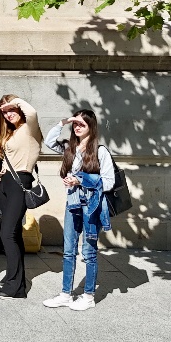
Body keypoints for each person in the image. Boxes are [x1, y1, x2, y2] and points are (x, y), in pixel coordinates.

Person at [42, 109, 114, 311]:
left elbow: (109, 182)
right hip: (72, 203)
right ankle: (66, 294)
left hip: (92, 206)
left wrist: (80, 179)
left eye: (82, 123)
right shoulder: (70, 148)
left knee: (89, 252)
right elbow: (48, 141)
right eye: (75, 124)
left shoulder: (100, 152)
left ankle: (88, 296)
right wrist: (63, 122)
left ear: (92, 126)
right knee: (68, 251)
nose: (77, 127)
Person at [0, 93, 43, 300]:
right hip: (7, 183)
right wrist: (3, 169)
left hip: (19, 183)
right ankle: (14, 278)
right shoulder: (11, 132)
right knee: (12, 233)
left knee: (7, 235)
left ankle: (16, 288)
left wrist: (13, 102)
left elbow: (32, 111)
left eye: (11, 110)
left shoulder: (30, 128)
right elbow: (10, 156)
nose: (8, 114)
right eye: (4, 112)